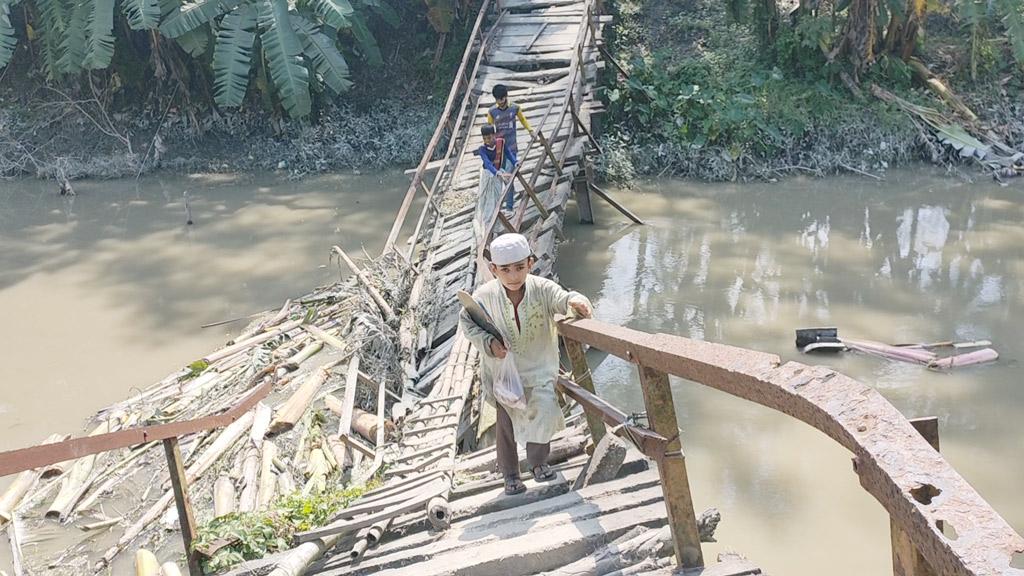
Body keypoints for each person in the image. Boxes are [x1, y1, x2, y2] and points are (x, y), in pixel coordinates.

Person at [458, 233, 594, 496]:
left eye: (519, 267)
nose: (513, 275)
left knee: (544, 412)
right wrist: (488, 342)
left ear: (530, 263)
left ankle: (538, 463)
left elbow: (564, 299)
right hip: (503, 373)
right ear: (494, 269)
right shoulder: (485, 295)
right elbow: (467, 322)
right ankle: (510, 475)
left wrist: (576, 302)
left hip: (540, 368)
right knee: (506, 424)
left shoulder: (542, 288)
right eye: (505, 270)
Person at [475, 125, 518, 238]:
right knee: (488, 201)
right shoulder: (482, 149)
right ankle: (489, 228)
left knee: (497, 199)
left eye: (489, 137)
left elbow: (508, 153)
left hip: (498, 175)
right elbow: (487, 163)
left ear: (494, 135)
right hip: (488, 176)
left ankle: (496, 227)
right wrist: (497, 173)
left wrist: (515, 162)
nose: (487, 141)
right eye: (484, 139)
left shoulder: (501, 143)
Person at [487, 84, 533, 157]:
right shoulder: (492, 111)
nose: (500, 102)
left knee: (512, 165)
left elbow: (522, 119)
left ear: (506, 96)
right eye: (497, 100)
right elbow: (489, 127)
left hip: (512, 145)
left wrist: (530, 130)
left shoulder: (515, 108)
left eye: (501, 99)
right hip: (500, 145)